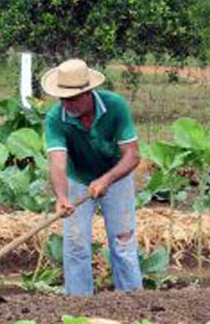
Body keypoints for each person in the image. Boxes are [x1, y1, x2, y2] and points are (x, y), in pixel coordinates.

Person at [41, 58, 143, 296]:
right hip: (77, 178)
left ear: (88, 93)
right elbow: (57, 159)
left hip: (116, 176)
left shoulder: (114, 106)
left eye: (73, 99)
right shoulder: (56, 118)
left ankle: (132, 299)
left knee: (123, 241)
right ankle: (79, 303)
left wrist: (106, 180)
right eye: (63, 99)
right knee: (75, 246)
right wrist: (62, 196)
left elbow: (133, 156)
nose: (67, 105)